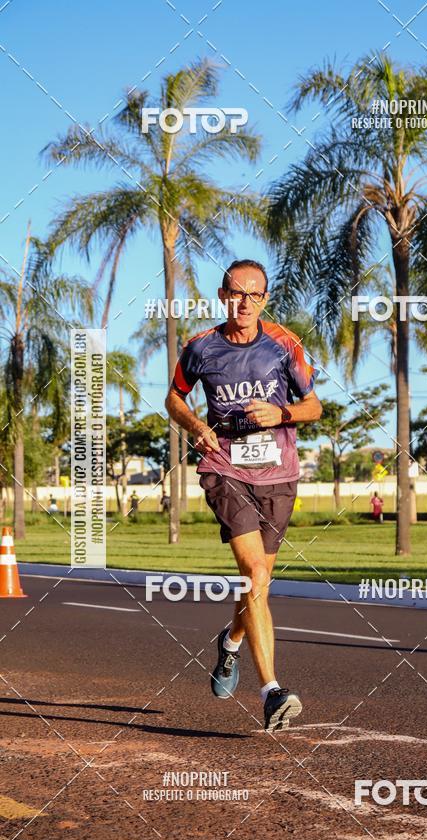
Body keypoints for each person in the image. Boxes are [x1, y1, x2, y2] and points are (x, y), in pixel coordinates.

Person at [166, 259, 322, 732]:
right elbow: (174, 397)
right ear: (222, 294)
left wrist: (283, 415)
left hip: (278, 474)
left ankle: (230, 642)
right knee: (253, 572)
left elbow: (314, 406)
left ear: (266, 299)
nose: (246, 302)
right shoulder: (201, 347)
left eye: (255, 294)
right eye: (237, 293)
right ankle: (272, 691)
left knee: (259, 584)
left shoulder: (285, 344)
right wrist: (195, 425)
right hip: (224, 469)